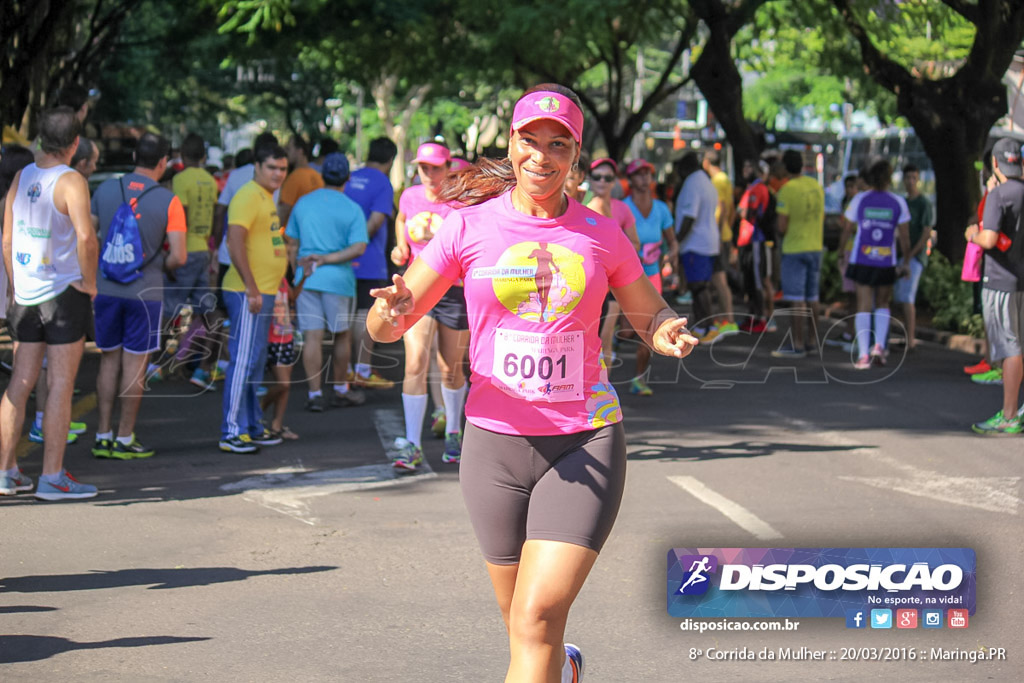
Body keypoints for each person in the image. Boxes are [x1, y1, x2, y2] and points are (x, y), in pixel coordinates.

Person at [368, 84, 697, 683]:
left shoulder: (600, 233)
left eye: (558, 144)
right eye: (529, 141)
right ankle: (562, 667)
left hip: (583, 440)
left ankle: (551, 658)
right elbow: (389, 324)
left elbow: (651, 314)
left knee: (537, 615)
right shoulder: (466, 229)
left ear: (575, 154)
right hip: (493, 444)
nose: (541, 157)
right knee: (520, 622)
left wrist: (667, 331)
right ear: (512, 143)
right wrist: (390, 311)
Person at [0, 108, 98, 500]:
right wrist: (89, 283)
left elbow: (6, 238)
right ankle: (52, 477)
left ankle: (6, 472)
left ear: (40, 139)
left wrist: (12, 285)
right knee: (60, 384)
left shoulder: (22, 177)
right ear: (74, 144)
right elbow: (86, 238)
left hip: (24, 293)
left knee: (19, 383)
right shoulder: (70, 180)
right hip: (62, 294)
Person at [89, 133, 187, 458]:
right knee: (136, 365)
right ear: (164, 162)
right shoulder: (169, 201)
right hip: (146, 292)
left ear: (134, 154)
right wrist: (160, 263)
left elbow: (88, 236)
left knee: (109, 359)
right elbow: (180, 256)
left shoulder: (104, 190)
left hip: (105, 289)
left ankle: (102, 434)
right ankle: (124, 438)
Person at [390, 142, 469, 468]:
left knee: (451, 369)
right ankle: (412, 444)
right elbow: (402, 218)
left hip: (453, 289)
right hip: (417, 288)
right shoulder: (409, 195)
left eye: (436, 167)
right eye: (424, 167)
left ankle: (454, 430)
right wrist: (400, 248)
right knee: (415, 364)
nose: (430, 173)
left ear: (449, 166)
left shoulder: (460, 198)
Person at [219, 143, 290, 454]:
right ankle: (231, 431)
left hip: (261, 293)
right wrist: (251, 287)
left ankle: (249, 426)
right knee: (243, 361)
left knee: (254, 362)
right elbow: (234, 240)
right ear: (258, 168)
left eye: (282, 169)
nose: (278, 174)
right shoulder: (248, 194)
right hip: (248, 293)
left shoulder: (265, 197)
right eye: (272, 168)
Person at [286, 152, 369, 411]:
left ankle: (314, 394)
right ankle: (340, 388)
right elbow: (358, 247)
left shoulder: (303, 203)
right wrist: (329, 258)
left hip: (307, 278)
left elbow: (291, 242)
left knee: (312, 336)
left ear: (321, 176)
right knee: (341, 335)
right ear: (347, 177)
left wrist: (296, 272)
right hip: (338, 280)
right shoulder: (352, 208)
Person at [965, 138, 1023, 434]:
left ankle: (1010, 415)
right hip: (1022, 281)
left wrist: (972, 234)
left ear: (996, 164)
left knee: (1010, 347)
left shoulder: (999, 196)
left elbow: (988, 239)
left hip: (1000, 281)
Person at [839, 158, 911, 370]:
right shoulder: (898, 202)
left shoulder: (860, 199)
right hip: (886, 259)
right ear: (889, 179)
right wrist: (905, 261)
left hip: (862, 258)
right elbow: (905, 238)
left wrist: (840, 251)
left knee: (863, 305)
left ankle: (863, 354)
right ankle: (879, 346)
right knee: (882, 303)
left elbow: (847, 228)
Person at [167, 132, 220, 390]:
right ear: (203, 157)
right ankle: (202, 368)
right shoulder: (211, 181)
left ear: (183, 156)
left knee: (170, 308)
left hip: (184, 249)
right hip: (203, 249)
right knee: (206, 311)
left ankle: (158, 365)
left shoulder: (180, 179)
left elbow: (181, 215)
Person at [345, 136, 398, 390]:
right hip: (368, 260)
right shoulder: (383, 183)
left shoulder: (350, 177)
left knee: (345, 318)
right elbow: (376, 222)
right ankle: (362, 369)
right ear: (390, 160)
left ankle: (345, 370)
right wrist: (358, 245)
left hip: (341, 261)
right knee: (364, 317)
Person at [623, 158, 677, 395]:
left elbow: (673, 243)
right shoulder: (623, 208)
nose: (644, 179)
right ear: (631, 179)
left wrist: (667, 258)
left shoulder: (661, 209)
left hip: (652, 277)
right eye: (639, 174)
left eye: (648, 174)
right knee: (625, 332)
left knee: (648, 332)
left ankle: (639, 379)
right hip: (624, 280)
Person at [772, 149, 825, 358]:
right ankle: (813, 340)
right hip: (815, 246)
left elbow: (782, 226)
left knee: (796, 298)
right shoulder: (816, 186)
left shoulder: (787, 190)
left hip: (794, 248)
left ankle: (797, 343)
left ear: (785, 167)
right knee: (813, 296)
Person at [587, 158, 640, 366]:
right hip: (587, 285)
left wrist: (611, 252)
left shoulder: (622, 209)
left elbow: (635, 244)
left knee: (605, 338)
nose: (602, 181)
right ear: (588, 179)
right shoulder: (578, 206)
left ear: (614, 182)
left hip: (612, 285)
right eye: (597, 177)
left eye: (607, 178)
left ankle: (603, 395)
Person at [674, 152, 723, 344]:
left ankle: (708, 327)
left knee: (698, 286)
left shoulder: (692, 183)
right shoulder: (705, 180)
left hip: (695, 243)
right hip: (708, 241)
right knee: (701, 286)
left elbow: (689, 216)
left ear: (684, 168)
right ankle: (704, 326)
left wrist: (676, 241)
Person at [261, 268, 312, 440]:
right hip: (269, 338)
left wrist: (304, 276)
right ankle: (258, 410)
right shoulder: (263, 280)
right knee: (283, 384)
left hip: (285, 337)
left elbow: (292, 296)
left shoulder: (281, 279)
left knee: (286, 386)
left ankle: (277, 425)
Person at [893, 164, 935, 350]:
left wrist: (910, 255)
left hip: (915, 256)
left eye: (913, 177)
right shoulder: (903, 202)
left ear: (918, 179)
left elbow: (926, 232)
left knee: (907, 296)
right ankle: (905, 336)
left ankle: (911, 339)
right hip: (901, 254)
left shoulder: (924, 203)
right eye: (907, 177)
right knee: (900, 297)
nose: (910, 181)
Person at [736, 159, 775, 333]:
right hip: (746, 241)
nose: (745, 170)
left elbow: (748, 213)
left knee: (759, 281)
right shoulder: (750, 189)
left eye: (749, 167)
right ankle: (752, 316)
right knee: (750, 281)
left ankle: (762, 318)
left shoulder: (759, 189)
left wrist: (742, 212)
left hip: (756, 241)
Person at [702, 149, 738, 336]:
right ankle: (724, 318)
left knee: (719, 280)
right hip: (722, 235)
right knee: (717, 280)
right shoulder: (724, 179)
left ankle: (729, 320)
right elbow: (730, 209)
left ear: (706, 163)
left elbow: (722, 209)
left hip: (718, 237)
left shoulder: (717, 181)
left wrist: (714, 233)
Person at [278, 134, 323, 228]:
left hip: (291, 238)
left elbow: (282, 213)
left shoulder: (293, 178)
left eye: (289, 148)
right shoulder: (318, 177)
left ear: (300, 151)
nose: (286, 152)